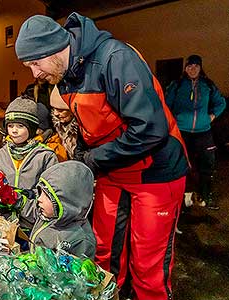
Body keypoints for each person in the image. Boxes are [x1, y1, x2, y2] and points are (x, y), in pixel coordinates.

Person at [15, 13, 189, 300]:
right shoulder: (67, 73)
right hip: (113, 169)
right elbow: (92, 123)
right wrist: (83, 150)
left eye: (36, 63)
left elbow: (150, 129)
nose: (35, 74)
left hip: (155, 171)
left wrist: (93, 160)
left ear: (56, 48)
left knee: (148, 264)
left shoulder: (115, 58)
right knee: (104, 250)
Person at [0, 161, 96, 258]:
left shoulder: (80, 240)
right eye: (40, 193)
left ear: (67, 203)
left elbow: (77, 280)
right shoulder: (49, 215)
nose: (39, 199)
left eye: (47, 196)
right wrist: (7, 194)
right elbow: (30, 208)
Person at [166, 55, 226, 210]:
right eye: (190, 66)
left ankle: (206, 196)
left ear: (200, 68)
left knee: (207, 165)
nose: (193, 69)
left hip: (203, 132)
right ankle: (180, 198)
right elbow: (166, 105)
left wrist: (210, 117)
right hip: (182, 133)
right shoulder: (177, 85)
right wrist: (173, 123)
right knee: (180, 165)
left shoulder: (208, 85)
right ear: (185, 68)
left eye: (196, 66)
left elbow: (221, 102)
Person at [0, 97, 58, 191]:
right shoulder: (0, 155)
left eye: (20, 126)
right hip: (5, 205)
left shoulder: (45, 156)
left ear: (32, 129)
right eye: (10, 126)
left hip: (35, 205)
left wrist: (25, 197)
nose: (14, 131)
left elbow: (51, 189)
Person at [50, 85, 78, 160]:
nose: (56, 113)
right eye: (54, 109)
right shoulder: (57, 126)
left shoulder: (83, 128)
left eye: (61, 110)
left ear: (72, 110)